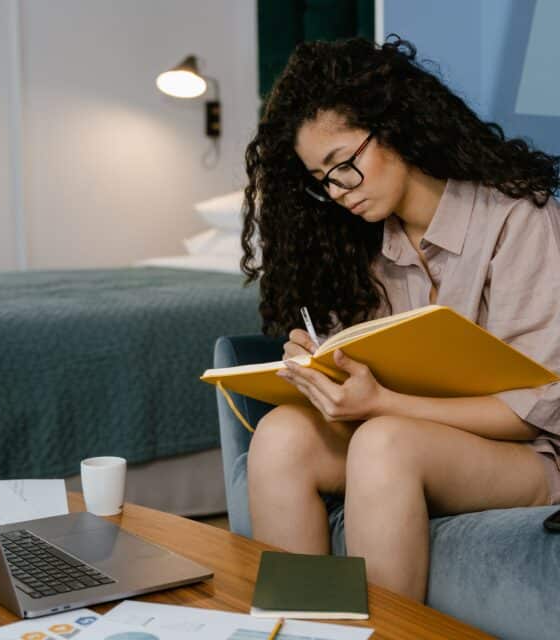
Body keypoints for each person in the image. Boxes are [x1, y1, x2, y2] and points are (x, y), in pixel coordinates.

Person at [239, 36, 560, 602]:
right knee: (280, 435)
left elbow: (537, 409)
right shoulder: (364, 248)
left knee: (383, 442)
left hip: (533, 455)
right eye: (322, 180)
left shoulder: (518, 219)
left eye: (343, 165)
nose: (338, 191)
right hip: (415, 436)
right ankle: (304, 628)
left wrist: (380, 403)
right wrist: (321, 364)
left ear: (394, 126)